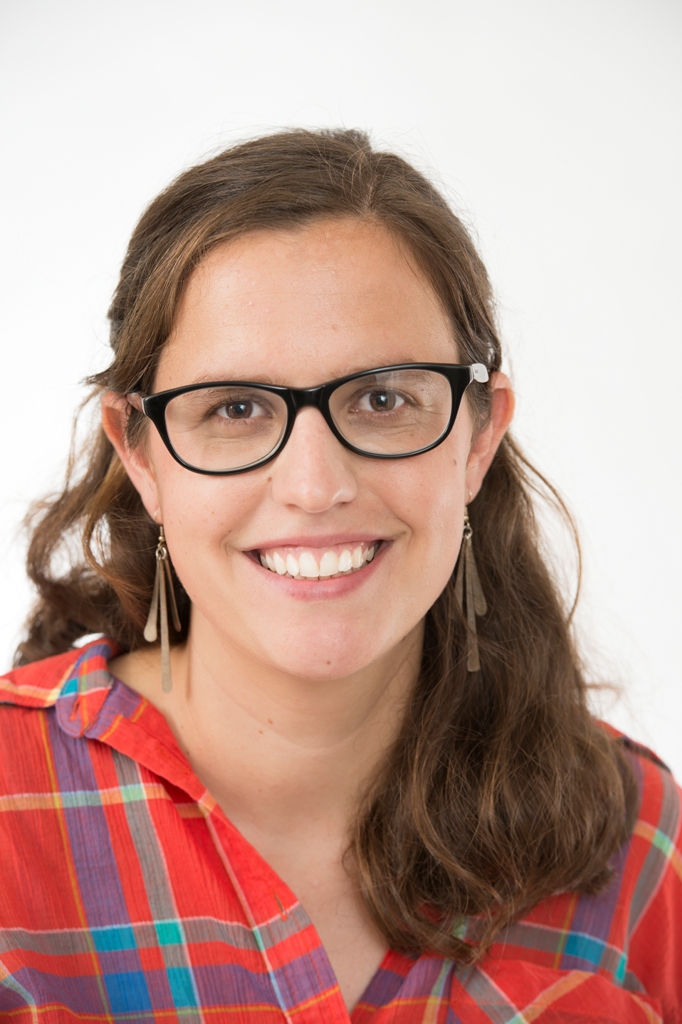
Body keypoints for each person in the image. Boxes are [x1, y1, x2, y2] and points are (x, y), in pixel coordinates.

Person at [0, 129, 679, 1024]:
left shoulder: (633, 837)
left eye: (384, 399)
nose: (316, 488)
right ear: (141, 453)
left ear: (479, 436)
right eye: (235, 408)